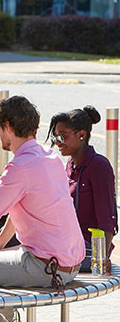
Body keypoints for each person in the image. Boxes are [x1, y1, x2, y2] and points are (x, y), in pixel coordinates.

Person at [0, 96, 85, 322]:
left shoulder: (20, 167)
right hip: (69, 263)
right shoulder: (49, 157)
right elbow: (19, 207)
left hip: (46, 266)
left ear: (8, 127)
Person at [47, 106, 117, 273]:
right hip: (67, 242)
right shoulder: (71, 164)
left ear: (82, 135)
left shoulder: (99, 166)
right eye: (56, 137)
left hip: (88, 251)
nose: (58, 142)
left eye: (62, 137)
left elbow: (108, 220)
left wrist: (101, 259)